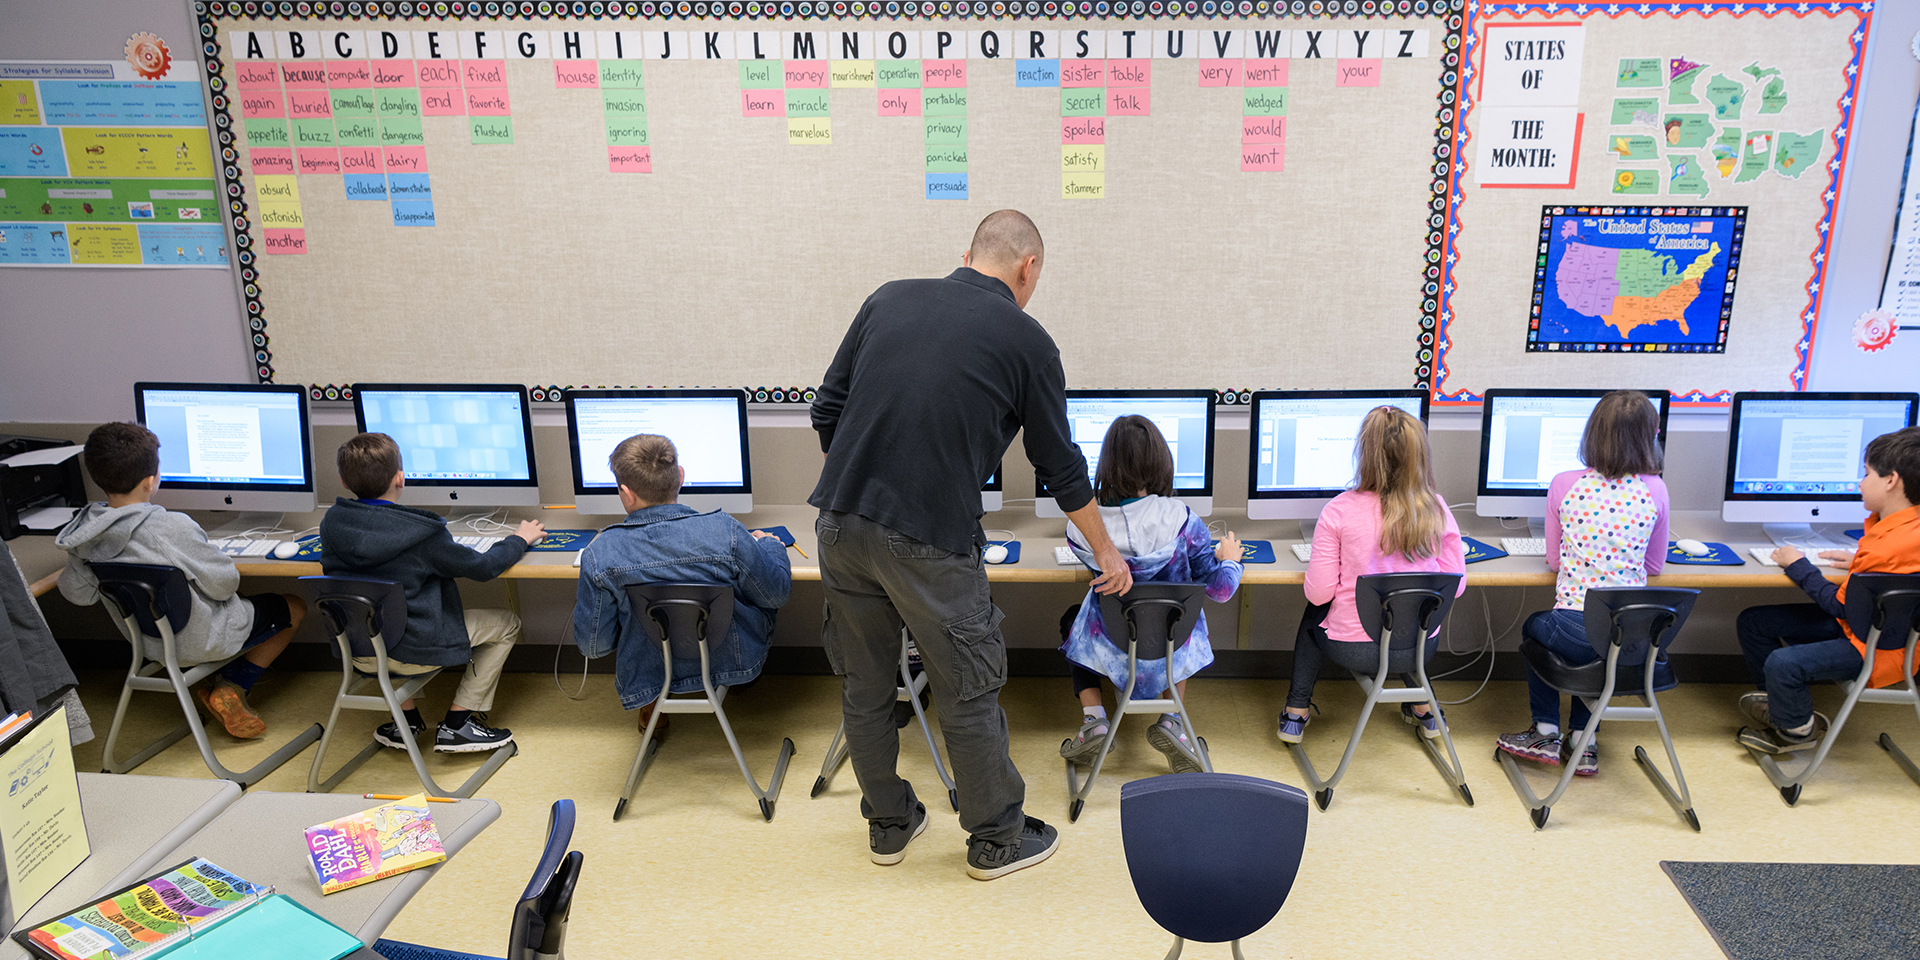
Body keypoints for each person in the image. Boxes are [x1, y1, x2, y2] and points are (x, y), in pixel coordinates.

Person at [810, 209, 1132, 880]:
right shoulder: (1028, 341)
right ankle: (996, 839)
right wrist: (1105, 550)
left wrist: (861, 481)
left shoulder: (887, 298)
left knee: (865, 686)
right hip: (930, 538)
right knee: (966, 690)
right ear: (1028, 267)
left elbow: (825, 409)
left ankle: (890, 826)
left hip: (838, 524)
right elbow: (1061, 467)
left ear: (968, 255)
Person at [55, 422, 302, 740]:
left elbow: (76, 593)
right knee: (293, 606)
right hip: (203, 639)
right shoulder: (171, 526)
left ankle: (222, 689)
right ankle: (232, 686)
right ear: (151, 481)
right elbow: (225, 585)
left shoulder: (86, 532)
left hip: (147, 642)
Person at [319, 432, 543, 753]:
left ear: (342, 481)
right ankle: (458, 723)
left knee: (381, 617)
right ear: (400, 478)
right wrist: (519, 538)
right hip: (413, 652)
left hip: (358, 648)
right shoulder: (424, 533)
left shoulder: (332, 522)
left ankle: (405, 720)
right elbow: (482, 568)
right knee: (507, 624)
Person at [1494, 390, 1669, 776]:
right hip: (1632, 636)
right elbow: (1655, 564)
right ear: (1650, 437)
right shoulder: (1655, 490)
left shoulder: (1564, 483)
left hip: (1573, 624)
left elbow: (1554, 561)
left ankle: (1544, 730)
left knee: (1536, 629)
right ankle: (1583, 739)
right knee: (1598, 646)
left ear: (1592, 434)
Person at [1057, 415, 1244, 774]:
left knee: (1072, 619)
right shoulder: (1183, 519)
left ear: (1107, 462)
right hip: (1169, 653)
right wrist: (1231, 561)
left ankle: (1094, 718)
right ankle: (1172, 719)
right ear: (1162, 461)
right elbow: (1219, 591)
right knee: (1182, 618)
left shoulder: (1082, 527)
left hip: (1110, 649)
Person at [572, 434, 792, 723]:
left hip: (650, 670)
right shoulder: (726, 531)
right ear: (681, 476)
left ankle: (654, 699)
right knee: (756, 591)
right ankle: (735, 682)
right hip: (733, 660)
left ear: (626, 493)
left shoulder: (600, 553)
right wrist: (770, 545)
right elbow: (776, 594)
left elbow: (593, 647)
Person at [1279, 406, 1463, 744]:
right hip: (1420, 648)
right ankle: (1425, 709)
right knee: (1408, 616)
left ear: (1364, 453)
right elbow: (1457, 585)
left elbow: (1318, 594)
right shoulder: (1436, 508)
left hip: (1355, 649)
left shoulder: (1338, 511)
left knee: (1314, 615)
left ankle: (1295, 713)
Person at [1736, 426, 1920, 753]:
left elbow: (1838, 606)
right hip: (1880, 628)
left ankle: (1796, 731)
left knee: (1783, 663)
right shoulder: (1904, 530)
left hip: (1878, 645)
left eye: (1866, 474)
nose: (1860, 483)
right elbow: (1898, 570)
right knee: (1754, 621)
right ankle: (1784, 709)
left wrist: (1797, 564)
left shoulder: (1885, 547)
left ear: (1891, 480)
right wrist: (1857, 563)